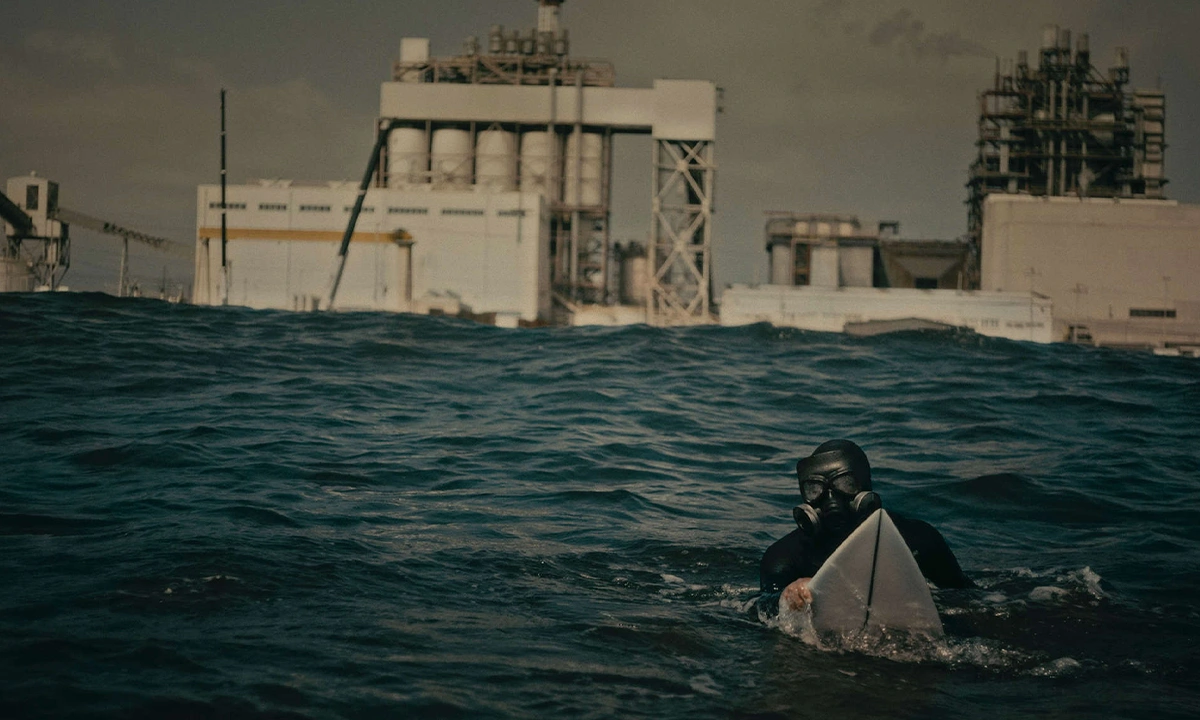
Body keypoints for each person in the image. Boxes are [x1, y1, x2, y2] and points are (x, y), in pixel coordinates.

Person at [760, 439, 973, 612]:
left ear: (865, 487)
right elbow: (762, 606)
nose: (831, 499)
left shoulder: (918, 540)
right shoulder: (784, 557)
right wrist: (787, 596)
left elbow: (966, 597)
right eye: (815, 489)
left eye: (846, 483)